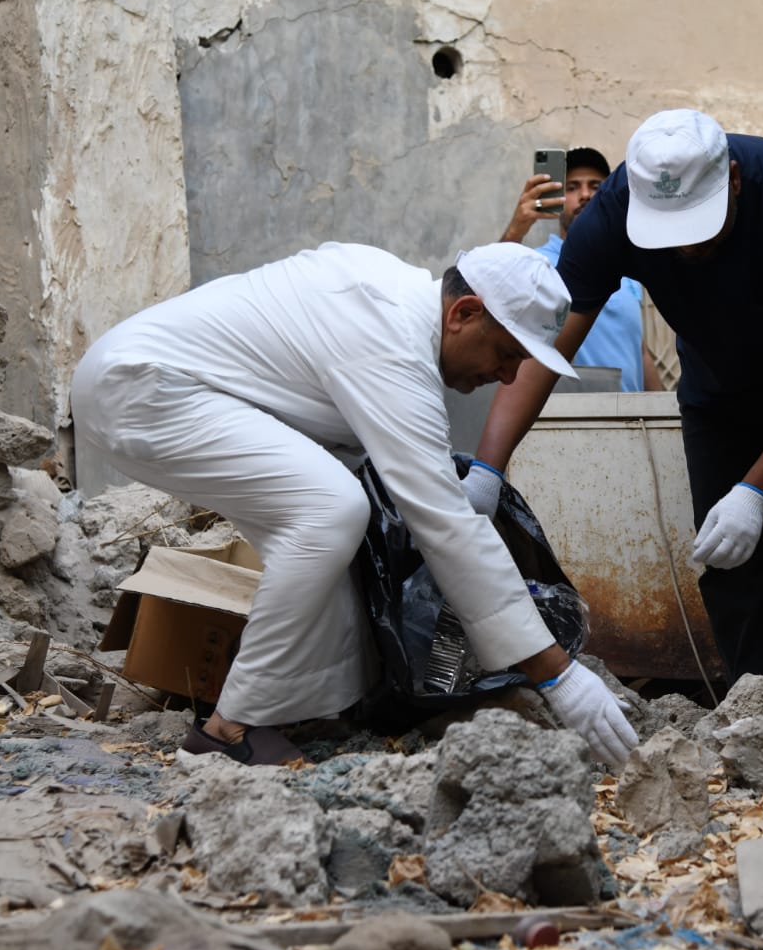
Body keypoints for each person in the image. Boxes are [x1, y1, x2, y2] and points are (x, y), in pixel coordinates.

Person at [72, 242, 638, 767]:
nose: (509, 376)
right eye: (508, 354)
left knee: (340, 529)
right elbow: (446, 525)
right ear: (463, 313)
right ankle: (227, 731)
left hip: (162, 386)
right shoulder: (390, 342)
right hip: (143, 389)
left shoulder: (396, 303)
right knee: (331, 510)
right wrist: (557, 675)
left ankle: (310, 710)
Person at [469, 110, 763, 714]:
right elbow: (542, 352)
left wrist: (755, 490)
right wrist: (488, 469)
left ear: (733, 181)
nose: (687, 246)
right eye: (669, 232)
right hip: (719, 381)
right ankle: (754, 718)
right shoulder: (610, 213)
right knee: (723, 558)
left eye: (699, 226)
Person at [500, 147, 665, 392]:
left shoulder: (626, 269)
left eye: (596, 186)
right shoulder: (536, 262)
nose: (585, 195)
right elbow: (488, 294)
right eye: (572, 187)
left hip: (631, 411)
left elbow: (638, 349)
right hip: (571, 410)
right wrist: (516, 229)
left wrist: (664, 409)